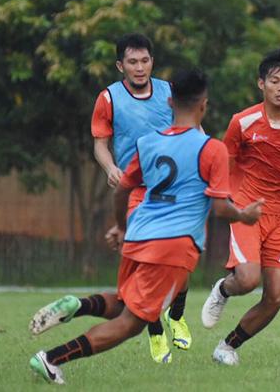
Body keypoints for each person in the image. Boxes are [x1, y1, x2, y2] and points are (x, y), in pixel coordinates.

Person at [28, 69, 264, 384]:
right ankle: (52, 359)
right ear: (204, 106)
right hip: (173, 246)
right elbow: (221, 208)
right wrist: (245, 217)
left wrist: (122, 227)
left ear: (169, 102)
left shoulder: (148, 143)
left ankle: (78, 305)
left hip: (138, 235)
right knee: (132, 323)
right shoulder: (212, 149)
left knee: (126, 302)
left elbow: (123, 189)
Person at [34, 33, 190, 364]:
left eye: (144, 60)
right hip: (134, 193)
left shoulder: (169, 93)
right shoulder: (109, 98)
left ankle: (174, 316)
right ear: (121, 65)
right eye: (132, 62)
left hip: (172, 191)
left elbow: (188, 131)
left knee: (179, 262)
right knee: (153, 263)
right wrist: (110, 168)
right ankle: (157, 333)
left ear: (152, 62)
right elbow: (100, 144)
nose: (139, 67)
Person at [201, 48, 280, 366]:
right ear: (262, 84)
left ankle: (227, 347)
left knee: (276, 296)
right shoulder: (242, 122)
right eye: (275, 81)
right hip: (249, 209)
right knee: (247, 280)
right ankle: (224, 290)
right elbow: (224, 164)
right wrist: (225, 201)